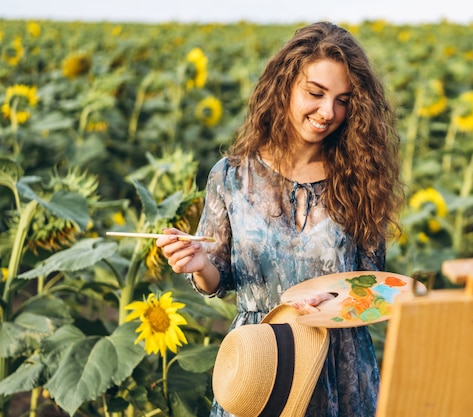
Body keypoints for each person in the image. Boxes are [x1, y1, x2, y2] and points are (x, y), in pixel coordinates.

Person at [157, 21, 403, 416]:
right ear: (284, 85)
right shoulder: (231, 176)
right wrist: (199, 263)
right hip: (262, 360)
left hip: (336, 364)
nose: (329, 112)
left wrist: (335, 303)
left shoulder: (360, 180)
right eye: (316, 93)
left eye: (343, 100)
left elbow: (375, 287)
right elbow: (217, 280)